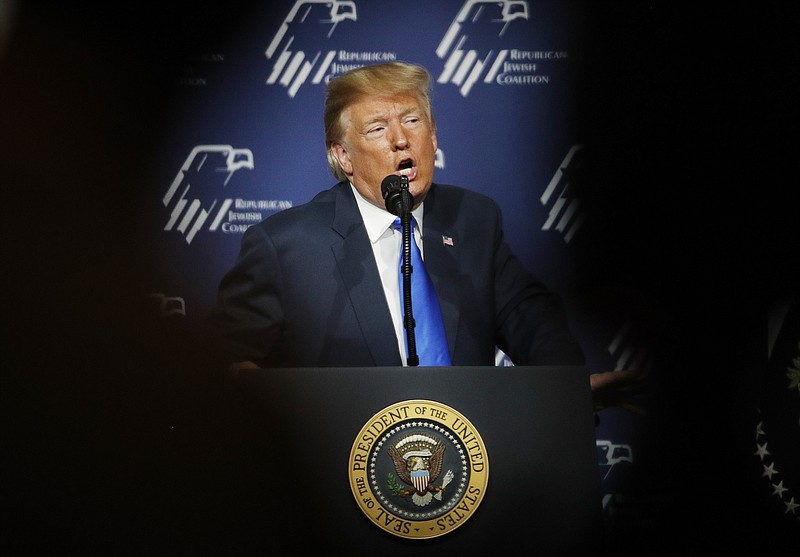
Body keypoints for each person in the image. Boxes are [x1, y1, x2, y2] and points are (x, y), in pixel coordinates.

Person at [212, 61, 587, 373]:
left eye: (412, 121)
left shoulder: (473, 219)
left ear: (434, 136)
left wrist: (569, 390)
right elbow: (232, 360)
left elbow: (532, 320)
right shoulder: (285, 246)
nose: (400, 139)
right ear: (343, 157)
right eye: (377, 129)